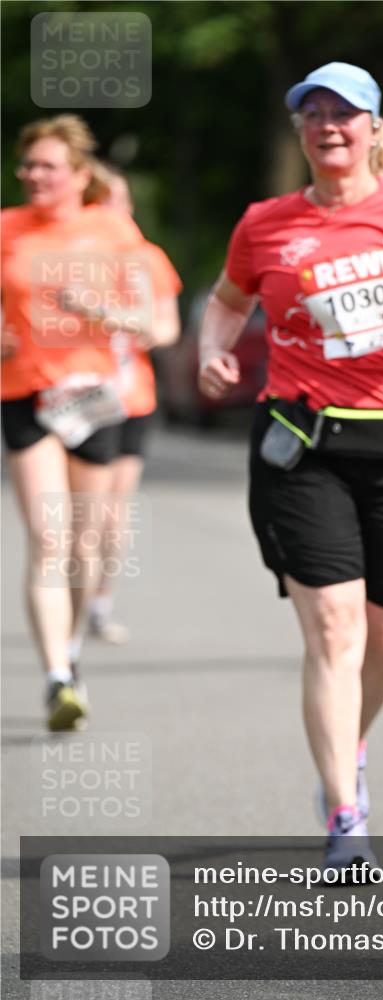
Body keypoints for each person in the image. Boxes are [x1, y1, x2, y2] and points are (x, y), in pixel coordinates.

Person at [197, 62, 383, 872]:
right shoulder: (265, 222)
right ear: (300, 131)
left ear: (371, 128)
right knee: (332, 628)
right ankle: (342, 814)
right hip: (302, 446)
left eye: (344, 114)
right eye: (313, 114)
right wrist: (213, 356)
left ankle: (348, 749)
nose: (329, 126)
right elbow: (226, 302)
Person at [1, 115, 148, 730]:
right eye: (28, 165)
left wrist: (103, 310)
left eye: (48, 167)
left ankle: (75, 648)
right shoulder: (6, 229)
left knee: (86, 545)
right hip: (26, 393)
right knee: (50, 539)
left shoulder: (113, 230)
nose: (34, 175)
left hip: (94, 398)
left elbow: (152, 321)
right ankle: (58, 675)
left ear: (78, 175)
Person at [85, 162, 182, 643]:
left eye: (116, 200)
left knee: (111, 510)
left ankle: (98, 603)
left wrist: (110, 318)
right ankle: (68, 599)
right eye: (98, 201)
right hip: (66, 397)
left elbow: (166, 330)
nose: (109, 210)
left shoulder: (147, 259)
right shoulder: (61, 256)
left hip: (126, 397)